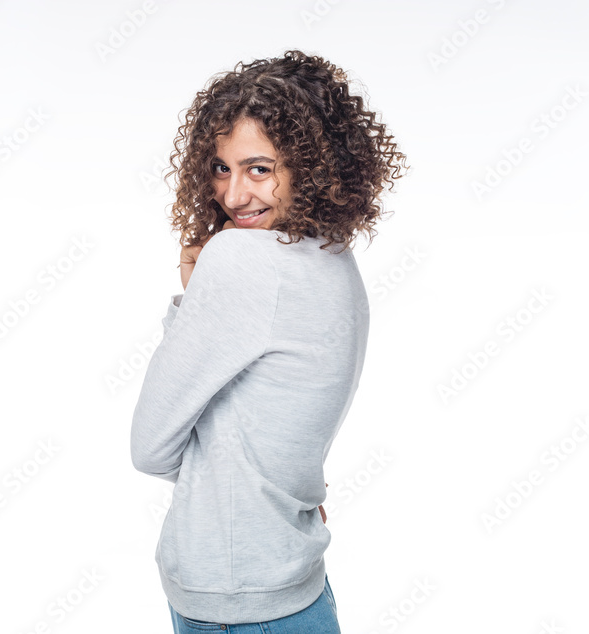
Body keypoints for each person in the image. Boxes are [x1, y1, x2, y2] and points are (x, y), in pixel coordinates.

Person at [130, 49, 407, 632]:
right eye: (221, 168)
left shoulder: (238, 260)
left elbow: (150, 448)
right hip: (295, 580)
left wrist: (192, 300)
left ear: (309, 167)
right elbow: (280, 425)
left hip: (232, 596)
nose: (232, 196)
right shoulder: (332, 256)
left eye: (259, 169)